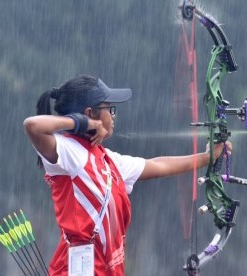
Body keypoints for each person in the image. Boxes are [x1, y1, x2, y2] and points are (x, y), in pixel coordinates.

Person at [23, 74, 231, 275]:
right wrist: (82, 123)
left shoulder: (107, 160)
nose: (113, 115)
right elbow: (33, 125)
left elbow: (157, 165)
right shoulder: (68, 152)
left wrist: (207, 157)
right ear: (90, 113)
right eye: (108, 109)